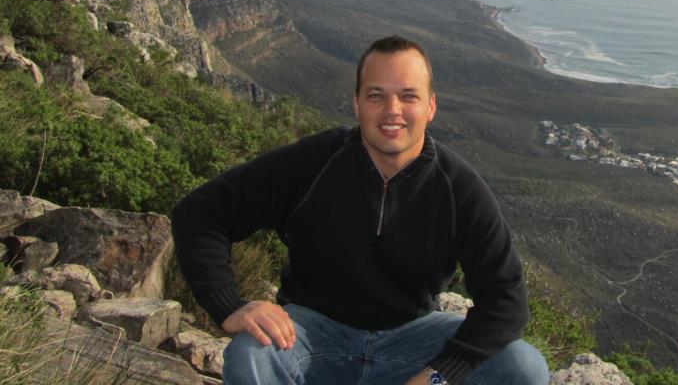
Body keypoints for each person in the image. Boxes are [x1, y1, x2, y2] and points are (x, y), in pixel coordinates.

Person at [171, 34, 549, 385]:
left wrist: (438, 377)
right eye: (376, 96)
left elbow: (506, 297)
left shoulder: (458, 188)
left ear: (431, 106)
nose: (392, 111)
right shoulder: (314, 163)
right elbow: (201, 213)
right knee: (251, 354)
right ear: (356, 102)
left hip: (413, 343)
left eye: (408, 96)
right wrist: (228, 306)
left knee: (523, 366)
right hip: (309, 337)